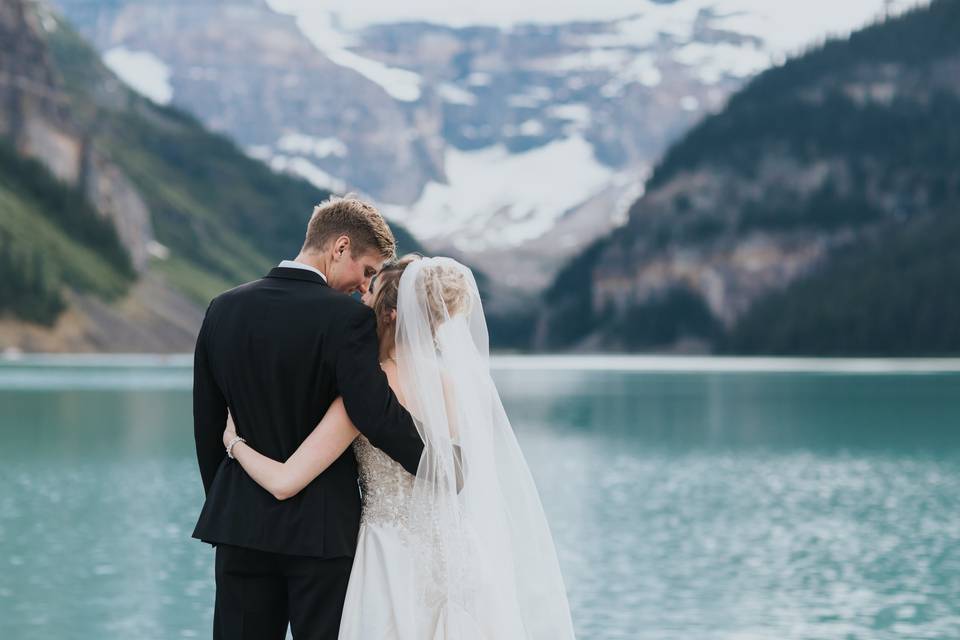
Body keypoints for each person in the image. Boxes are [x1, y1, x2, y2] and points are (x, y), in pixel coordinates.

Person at [222, 254, 577, 639]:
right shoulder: (451, 386)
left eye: (370, 290)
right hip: (457, 557)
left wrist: (233, 441)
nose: (361, 297)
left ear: (392, 312)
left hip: (390, 558)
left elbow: (285, 481)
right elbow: (457, 472)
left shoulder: (364, 395)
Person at [192, 195, 424, 640]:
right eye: (368, 270)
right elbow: (374, 413)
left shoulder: (222, 308)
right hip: (321, 536)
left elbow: (208, 426)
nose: (364, 286)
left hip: (240, 527)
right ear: (339, 247)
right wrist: (441, 462)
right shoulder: (348, 320)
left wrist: (232, 505)